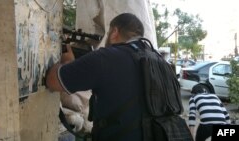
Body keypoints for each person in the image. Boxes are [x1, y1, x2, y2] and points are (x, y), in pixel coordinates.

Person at [46, 13, 187, 141]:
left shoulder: (105, 58)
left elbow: (52, 81)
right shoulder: (162, 62)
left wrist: (68, 62)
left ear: (114, 32)